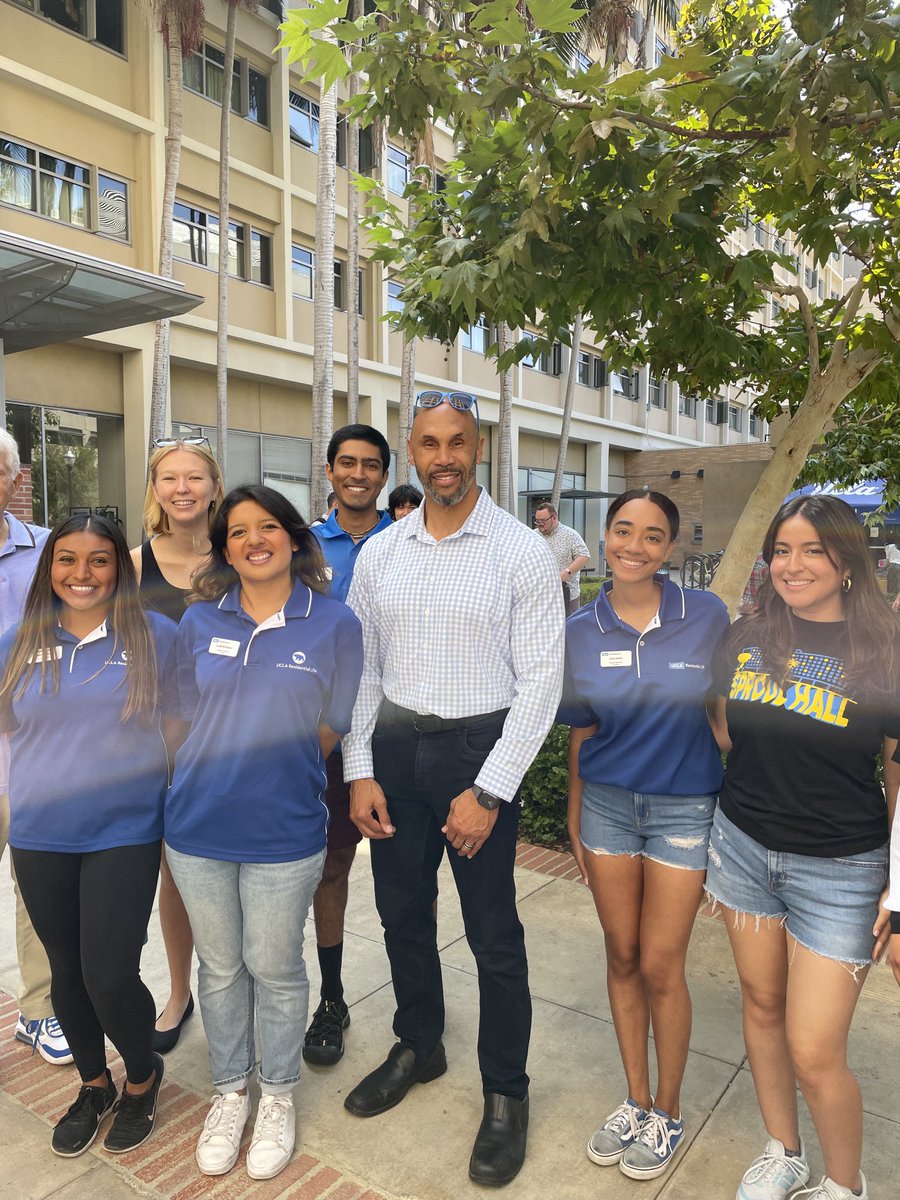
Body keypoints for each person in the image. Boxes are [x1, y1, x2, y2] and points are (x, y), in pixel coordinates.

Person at [341, 390, 564, 1187]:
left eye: (458, 442)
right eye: (430, 442)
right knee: (402, 915)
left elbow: (540, 683)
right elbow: (363, 668)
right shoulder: (382, 553)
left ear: (479, 448)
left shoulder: (519, 551)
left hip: (478, 750)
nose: (444, 456)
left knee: (494, 936)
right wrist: (360, 768)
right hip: (396, 753)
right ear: (412, 451)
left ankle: (506, 1091)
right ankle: (420, 1044)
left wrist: (491, 789)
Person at [164, 485, 363, 1181]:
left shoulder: (334, 624)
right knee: (219, 970)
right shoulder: (197, 624)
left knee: (274, 968)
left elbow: (336, 721)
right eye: (238, 531)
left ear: (293, 538)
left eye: (268, 526)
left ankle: (276, 1095)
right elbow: (180, 718)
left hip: (285, 829)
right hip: (197, 827)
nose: (254, 539)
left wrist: (283, 763)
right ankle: (230, 1091)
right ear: (223, 548)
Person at [706, 494, 900, 1200]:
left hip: (843, 871)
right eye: (782, 551)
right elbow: (728, 731)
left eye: (813, 550)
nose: (794, 565)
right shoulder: (747, 634)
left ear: (847, 562)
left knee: (816, 1050)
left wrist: (899, 894)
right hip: (743, 848)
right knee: (760, 1008)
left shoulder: (885, 650)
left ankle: (844, 1186)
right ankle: (783, 1150)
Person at [560, 489, 729, 1181]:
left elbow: (724, 714)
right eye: (622, 530)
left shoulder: (707, 616)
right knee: (621, 953)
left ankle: (668, 1109)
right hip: (606, 807)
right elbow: (582, 730)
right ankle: (634, 1098)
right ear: (604, 537)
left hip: (685, 809)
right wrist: (573, 817)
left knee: (662, 963)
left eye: (652, 535)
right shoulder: (579, 628)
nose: (634, 545)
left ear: (670, 548)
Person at [0, 514, 175, 1157]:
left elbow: (178, 728)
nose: (82, 574)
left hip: (124, 830)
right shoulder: (19, 638)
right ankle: (94, 1083)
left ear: (120, 569)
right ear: (49, 569)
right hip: (41, 831)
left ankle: (142, 1078)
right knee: (66, 971)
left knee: (108, 972)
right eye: (67, 560)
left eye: (98, 560)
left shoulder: (156, 635)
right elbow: (9, 719)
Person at [131, 436, 225, 1055]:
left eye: (195, 478)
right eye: (171, 478)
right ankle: (177, 992)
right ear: (156, 490)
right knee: (174, 871)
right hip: (155, 743)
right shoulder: (132, 564)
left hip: (232, 740)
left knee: (239, 871)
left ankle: (237, 992)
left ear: (215, 487)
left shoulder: (241, 552)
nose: (183, 489)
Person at [305, 425, 393, 1066]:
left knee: (402, 875)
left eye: (370, 465)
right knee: (331, 865)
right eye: (346, 463)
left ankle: (419, 1005)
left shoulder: (412, 543)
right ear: (330, 471)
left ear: (385, 475)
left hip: (399, 730)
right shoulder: (301, 546)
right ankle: (331, 997)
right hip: (329, 733)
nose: (358, 474)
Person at [0, 430, 72, 1066]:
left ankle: (39, 1011)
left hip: (30, 752)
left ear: (13, 480)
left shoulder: (46, 551)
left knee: (35, 887)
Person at [533, 501, 590, 615]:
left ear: (554, 518)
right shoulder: (532, 535)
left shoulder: (570, 535)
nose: (539, 524)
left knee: (570, 631)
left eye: (543, 521)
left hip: (568, 596)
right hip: (540, 596)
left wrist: (567, 572)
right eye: (537, 521)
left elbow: (584, 556)